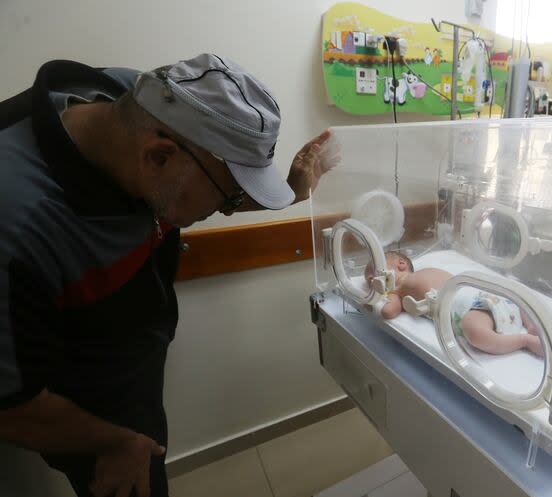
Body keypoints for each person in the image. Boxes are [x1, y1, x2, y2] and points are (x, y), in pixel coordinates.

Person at [0, 54, 337, 497]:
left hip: (127, 350)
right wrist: (117, 443)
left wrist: (290, 192)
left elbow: (197, 184)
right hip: (70, 401)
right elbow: (12, 405)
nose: (225, 209)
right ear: (158, 158)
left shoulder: (135, 102)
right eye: (228, 196)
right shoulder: (18, 225)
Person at [366, 252, 552, 356]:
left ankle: (539, 323)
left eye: (373, 274)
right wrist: (382, 296)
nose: (370, 281)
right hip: (470, 310)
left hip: (477, 295)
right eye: (368, 281)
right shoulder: (397, 291)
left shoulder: (411, 279)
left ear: (400, 264)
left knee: (517, 296)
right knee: (474, 331)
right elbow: (389, 312)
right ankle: (525, 340)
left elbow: (388, 311)